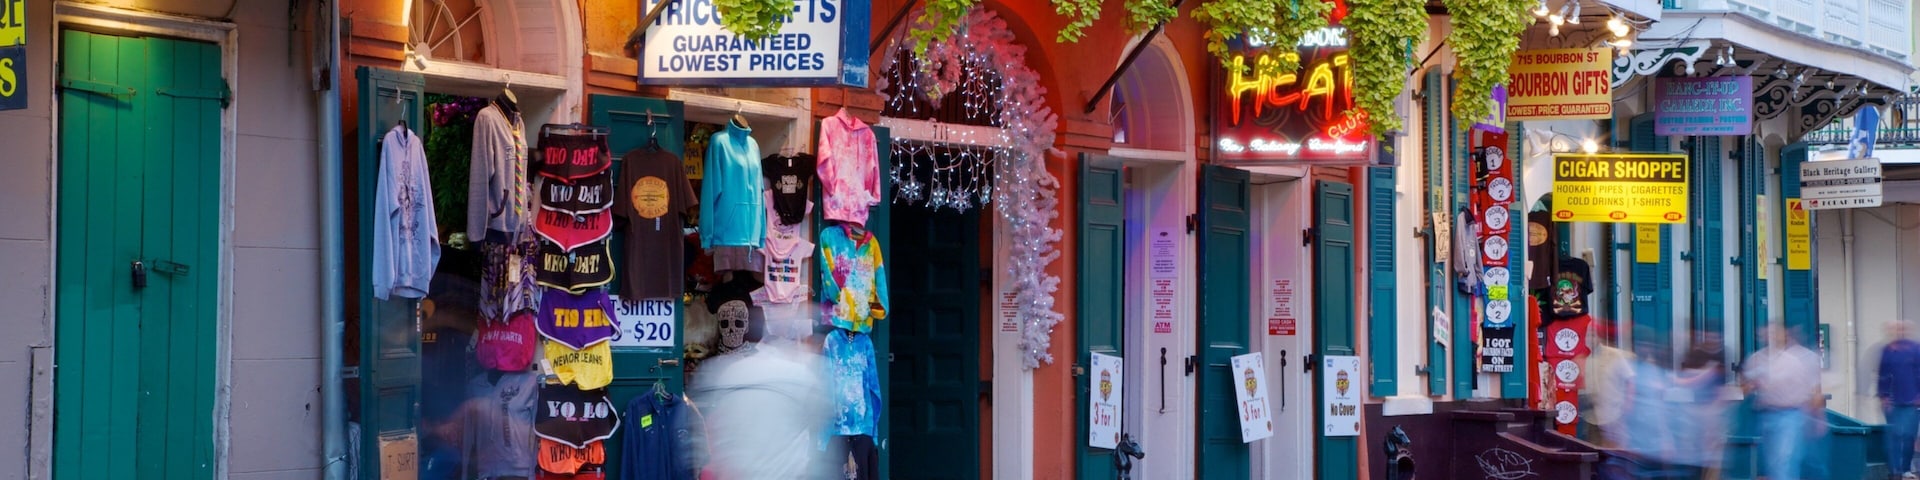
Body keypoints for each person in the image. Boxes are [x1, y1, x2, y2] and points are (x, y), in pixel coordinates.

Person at [1743, 324, 1825, 480]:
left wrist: (1816, 416)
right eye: (1768, 333)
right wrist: (1752, 385)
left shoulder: (1794, 361)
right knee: (1771, 461)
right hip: (1764, 413)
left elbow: (1812, 389)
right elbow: (1745, 388)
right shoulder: (1756, 359)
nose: (1771, 337)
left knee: (1784, 459)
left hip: (1790, 414)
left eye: (1775, 333)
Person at [1881, 321, 1920, 479]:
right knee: (1894, 435)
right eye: (1895, 329)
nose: (1899, 331)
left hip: (1912, 402)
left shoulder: (1915, 349)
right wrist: (1883, 396)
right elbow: (1883, 374)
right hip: (1892, 401)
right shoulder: (1888, 350)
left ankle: (1905, 469)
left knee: (1909, 435)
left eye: (1901, 328)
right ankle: (1895, 471)